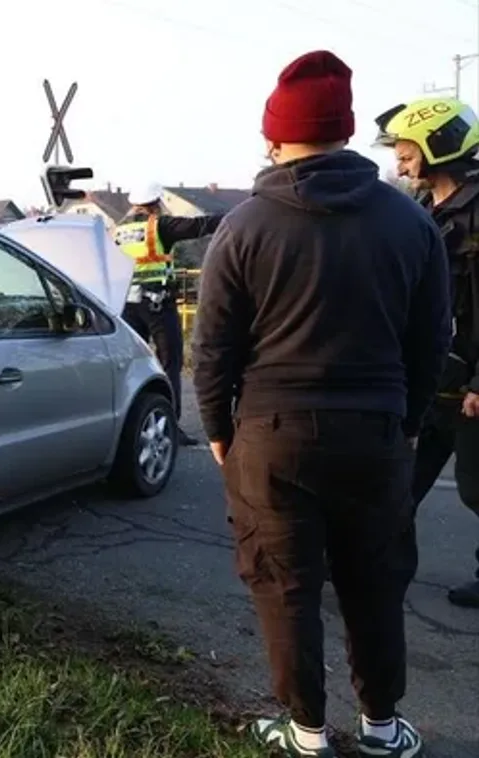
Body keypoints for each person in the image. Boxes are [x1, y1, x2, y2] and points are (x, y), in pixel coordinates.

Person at [193, 50, 449, 758]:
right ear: (345, 132)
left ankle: (305, 733)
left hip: (270, 432)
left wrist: (216, 428)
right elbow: (432, 339)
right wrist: (405, 420)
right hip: (375, 430)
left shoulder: (243, 226)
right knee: (375, 580)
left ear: (273, 136)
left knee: (285, 584)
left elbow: (213, 347)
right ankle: (381, 728)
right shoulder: (410, 222)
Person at [375, 95, 479, 610]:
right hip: (428, 378)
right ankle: (373, 564)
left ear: (441, 145)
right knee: (398, 482)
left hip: (471, 388)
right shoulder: (421, 213)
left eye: (407, 153)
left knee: (477, 489)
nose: (400, 165)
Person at [113, 183, 225, 447]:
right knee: (169, 362)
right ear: (156, 204)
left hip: (126, 305)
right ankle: (170, 425)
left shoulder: (118, 230)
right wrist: (238, 215)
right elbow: (200, 225)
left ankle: (131, 425)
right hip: (157, 304)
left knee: (133, 366)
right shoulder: (159, 226)